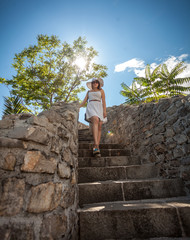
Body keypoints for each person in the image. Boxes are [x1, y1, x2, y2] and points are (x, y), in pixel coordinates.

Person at [79, 77, 107, 156]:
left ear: (98, 84)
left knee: (99, 127)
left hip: (99, 107)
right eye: (94, 82)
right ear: (91, 84)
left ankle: (97, 147)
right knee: (95, 120)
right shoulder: (88, 92)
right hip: (91, 106)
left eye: (96, 82)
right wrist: (78, 106)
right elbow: (84, 102)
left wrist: (104, 111)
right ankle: (95, 145)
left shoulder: (101, 91)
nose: (95, 83)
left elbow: (104, 102)